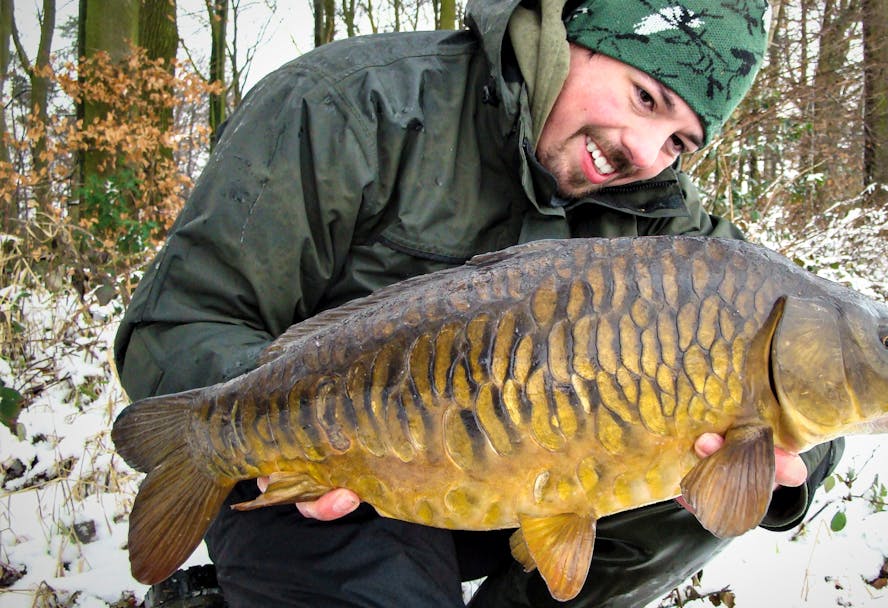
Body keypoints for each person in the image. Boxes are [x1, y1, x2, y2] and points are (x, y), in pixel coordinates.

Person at [114, 0, 844, 606]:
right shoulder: (350, 106)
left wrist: (785, 467)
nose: (646, 154)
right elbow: (176, 323)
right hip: (335, 476)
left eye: (680, 140)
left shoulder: (664, 223)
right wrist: (301, 422)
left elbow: (813, 357)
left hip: (518, 486)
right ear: (574, 35)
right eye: (644, 98)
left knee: (721, 454)